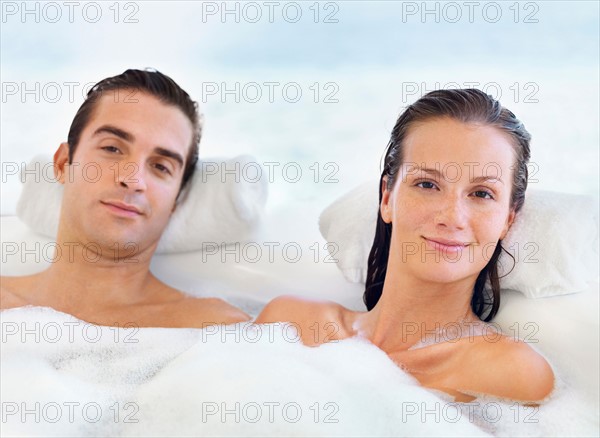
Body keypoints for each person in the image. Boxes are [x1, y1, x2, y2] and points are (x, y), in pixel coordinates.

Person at [256, 89, 555, 403]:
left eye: (481, 194)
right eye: (427, 184)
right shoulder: (290, 325)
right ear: (387, 198)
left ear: (508, 218)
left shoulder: (511, 375)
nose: (452, 217)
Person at [0, 69, 250, 327]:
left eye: (161, 166)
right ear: (64, 163)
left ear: (175, 201)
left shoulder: (219, 330)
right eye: (112, 148)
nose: (133, 180)